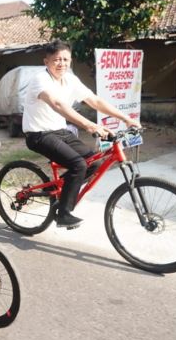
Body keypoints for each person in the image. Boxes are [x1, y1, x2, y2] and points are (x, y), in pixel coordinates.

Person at [22, 40, 141, 229]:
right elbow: (58, 104)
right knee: (78, 164)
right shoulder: (40, 80)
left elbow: (95, 100)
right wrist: (90, 125)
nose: (61, 64)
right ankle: (63, 214)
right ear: (46, 62)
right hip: (39, 134)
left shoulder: (70, 79)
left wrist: (125, 118)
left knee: (94, 162)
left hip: (60, 131)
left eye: (65, 59)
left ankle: (65, 188)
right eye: (56, 60)